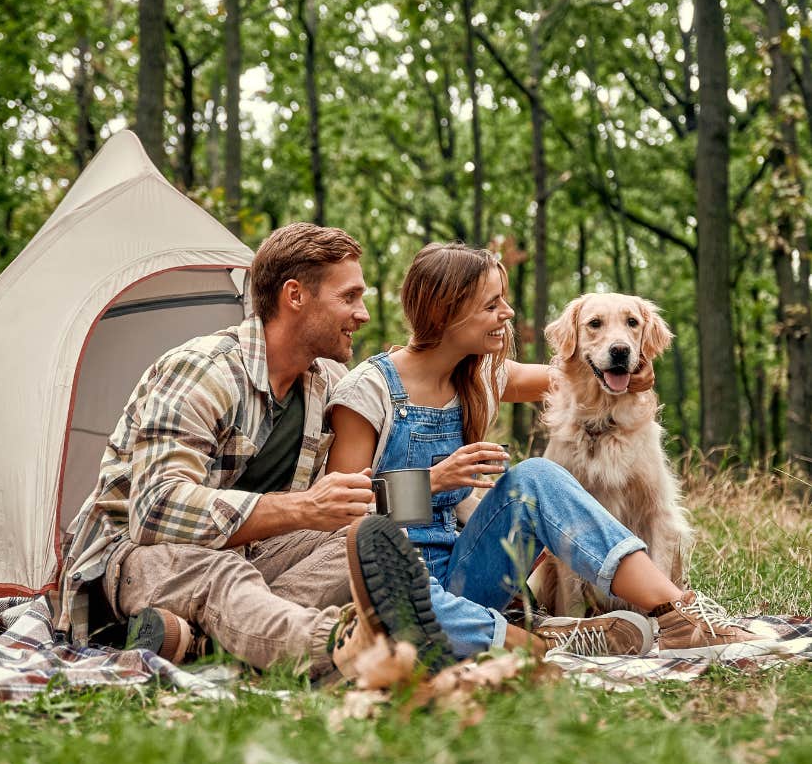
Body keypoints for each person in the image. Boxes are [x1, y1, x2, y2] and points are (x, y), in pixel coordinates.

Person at [327, 242, 779, 661]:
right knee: (409, 616)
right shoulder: (368, 390)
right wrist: (432, 483)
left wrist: (633, 371)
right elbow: (340, 518)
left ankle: (678, 614)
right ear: (447, 312)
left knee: (536, 476)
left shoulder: (480, 378)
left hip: (468, 566)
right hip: (395, 578)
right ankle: (547, 638)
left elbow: (575, 371)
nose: (508, 313)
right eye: (492, 304)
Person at [55, 223, 452, 681]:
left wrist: (433, 485)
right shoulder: (203, 370)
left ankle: (205, 644)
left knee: (363, 539)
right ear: (295, 295)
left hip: (252, 560)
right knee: (223, 571)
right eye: (349, 297)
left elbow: (341, 503)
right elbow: (154, 510)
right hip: (134, 559)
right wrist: (303, 507)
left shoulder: (326, 383)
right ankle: (347, 650)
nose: (362, 314)